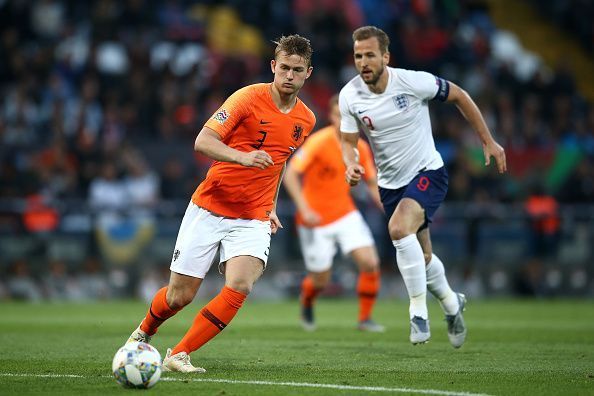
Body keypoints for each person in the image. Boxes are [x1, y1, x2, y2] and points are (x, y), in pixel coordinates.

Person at [126, 34, 316, 372]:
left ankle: (179, 354)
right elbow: (203, 141)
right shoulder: (246, 98)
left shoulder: (306, 120)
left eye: (296, 70)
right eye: (283, 67)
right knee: (178, 297)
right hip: (210, 207)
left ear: (307, 73)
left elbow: (281, 158)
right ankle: (144, 331)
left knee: (241, 284)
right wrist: (242, 159)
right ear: (273, 66)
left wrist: (270, 204)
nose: (289, 75)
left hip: (253, 216)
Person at [339, 26, 507, 348]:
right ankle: (452, 303)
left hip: (427, 171)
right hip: (390, 185)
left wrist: (488, 140)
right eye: (358, 56)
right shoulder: (350, 95)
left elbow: (459, 94)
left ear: (385, 56)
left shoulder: (413, 82)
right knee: (424, 256)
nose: (363, 62)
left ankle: (418, 312)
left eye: (370, 55)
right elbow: (348, 142)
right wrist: (351, 163)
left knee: (399, 229)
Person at [284, 95, 385, 333]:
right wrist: (305, 209)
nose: (343, 120)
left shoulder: (360, 147)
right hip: (315, 220)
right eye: (339, 115)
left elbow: (372, 183)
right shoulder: (318, 142)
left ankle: (365, 318)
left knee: (370, 262)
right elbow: (290, 174)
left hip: (344, 213)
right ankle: (307, 300)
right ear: (331, 116)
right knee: (321, 279)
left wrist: (391, 210)